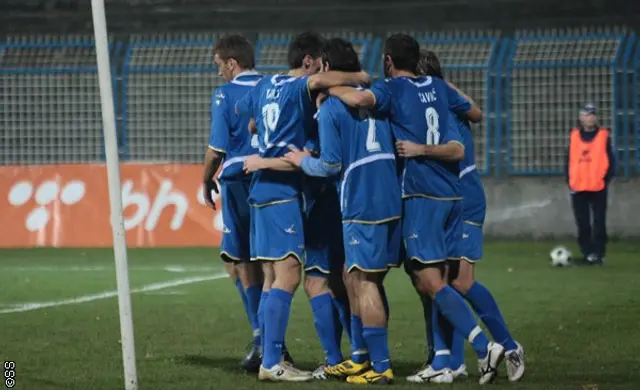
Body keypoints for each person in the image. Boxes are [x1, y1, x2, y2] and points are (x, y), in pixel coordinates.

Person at [327, 33, 504, 385]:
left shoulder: (393, 90)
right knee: (429, 278)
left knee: (428, 279)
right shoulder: (438, 88)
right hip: (452, 196)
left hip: (420, 195)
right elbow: (474, 112)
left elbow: (361, 97)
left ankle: (484, 346)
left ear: (389, 62)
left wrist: (325, 87)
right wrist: (437, 84)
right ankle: (443, 359)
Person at [236, 32, 369, 382]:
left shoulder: (265, 84)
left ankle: (273, 355)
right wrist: (356, 78)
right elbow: (325, 86)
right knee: (299, 276)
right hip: (289, 193)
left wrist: (263, 147)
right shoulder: (305, 93)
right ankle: (279, 362)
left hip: (262, 194)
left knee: (276, 277)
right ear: (310, 63)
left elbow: (247, 119)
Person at [285, 37, 401, 385]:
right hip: (391, 196)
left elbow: (331, 165)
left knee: (363, 283)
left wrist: (303, 161)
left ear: (323, 67)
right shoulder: (381, 94)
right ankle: (360, 358)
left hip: (360, 202)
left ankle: (380, 368)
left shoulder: (333, 110)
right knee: (358, 278)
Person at [408, 50, 525, 384]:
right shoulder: (434, 103)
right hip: (446, 199)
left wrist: (442, 84)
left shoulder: (442, 101)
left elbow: (477, 113)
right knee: (441, 279)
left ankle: (507, 344)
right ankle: (451, 361)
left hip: (465, 199)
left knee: (458, 281)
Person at [202, 34, 265, 372]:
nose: (218, 74)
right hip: (276, 179)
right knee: (274, 263)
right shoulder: (273, 85)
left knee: (239, 262)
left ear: (231, 63)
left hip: (240, 179)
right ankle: (270, 344)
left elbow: (217, 149)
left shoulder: (226, 93)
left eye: (219, 66)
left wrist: (204, 180)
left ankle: (263, 340)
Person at [565, 104, 615, 265]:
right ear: (580, 118)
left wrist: (604, 179)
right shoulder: (573, 136)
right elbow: (569, 160)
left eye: (592, 114)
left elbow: (611, 161)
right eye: (586, 114)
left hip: (598, 187)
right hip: (578, 187)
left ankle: (599, 253)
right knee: (582, 223)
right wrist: (569, 180)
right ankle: (587, 253)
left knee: (599, 222)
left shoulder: (603, 136)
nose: (590, 117)